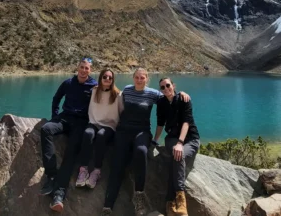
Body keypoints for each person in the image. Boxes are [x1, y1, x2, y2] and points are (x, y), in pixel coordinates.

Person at [102, 68, 190, 216]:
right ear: (133, 78)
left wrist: (181, 94)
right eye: (137, 77)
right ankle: (107, 206)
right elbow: (111, 97)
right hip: (123, 130)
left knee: (141, 151)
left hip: (142, 131)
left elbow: (168, 96)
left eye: (142, 78)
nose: (139, 80)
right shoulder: (127, 90)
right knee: (117, 163)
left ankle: (139, 195)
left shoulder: (152, 94)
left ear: (147, 79)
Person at [41, 58, 97, 212]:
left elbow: (107, 97)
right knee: (46, 129)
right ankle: (51, 174)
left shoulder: (94, 86)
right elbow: (56, 98)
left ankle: (59, 195)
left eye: (87, 68)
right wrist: (54, 115)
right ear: (77, 68)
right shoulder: (68, 83)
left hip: (80, 123)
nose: (84, 70)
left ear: (90, 70)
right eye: (81, 67)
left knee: (70, 153)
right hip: (65, 119)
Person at [154, 77, 200, 216]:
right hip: (171, 138)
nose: (166, 88)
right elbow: (160, 123)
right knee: (176, 156)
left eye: (168, 85)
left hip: (190, 139)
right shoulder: (161, 103)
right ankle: (177, 202)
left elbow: (186, 122)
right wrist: (155, 140)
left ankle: (174, 200)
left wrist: (180, 143)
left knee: (177, 156)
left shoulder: (184, 99)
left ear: (173, 85)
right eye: (162, 87)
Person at [74, 69, 123, 192]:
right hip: (94, 123)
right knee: (87, 133)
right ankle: (83, 170)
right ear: (101, 78)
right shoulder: (94, 91)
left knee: (101, 136)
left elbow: (122, 112)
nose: (107, 79)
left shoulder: (118, 95)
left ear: (113, 80)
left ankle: (97, 171)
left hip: (109, 126)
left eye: (110, 78)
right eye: (105, 77)